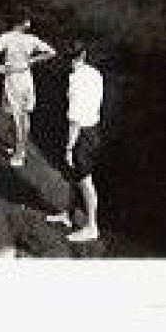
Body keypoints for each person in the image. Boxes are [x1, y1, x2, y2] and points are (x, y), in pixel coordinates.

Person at [47, 44, 105, 242]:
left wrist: (69, 148)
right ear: (84, 54)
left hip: (82, 134)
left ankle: (92, 227)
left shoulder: (75, 80)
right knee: (74, 176)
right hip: (93, 129)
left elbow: (75, 118)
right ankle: (68, 215)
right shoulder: (95, 73)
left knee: (85, 182)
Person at [0, 16, 59, 167]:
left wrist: (1, 68)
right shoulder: (31, 39)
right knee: (23, 116)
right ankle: (19, 149)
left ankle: (19, 153)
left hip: (14, 80)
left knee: (18, 117)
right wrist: (32, 60)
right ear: (22, 23)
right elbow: (51, 52)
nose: (29, 23)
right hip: (26, 79)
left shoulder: (6, 37)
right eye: (26, 21)